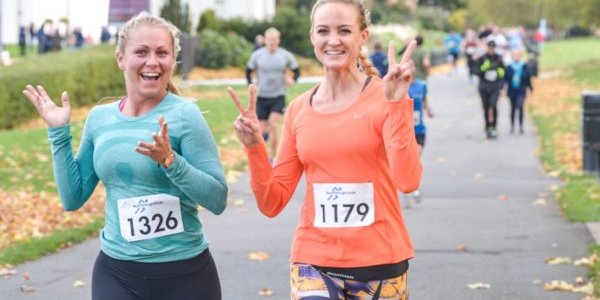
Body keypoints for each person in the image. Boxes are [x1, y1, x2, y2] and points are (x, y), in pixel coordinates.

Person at [22, 12, 227, 300]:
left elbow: (217, 199)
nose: (152, 62)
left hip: (185, 275)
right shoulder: (99, 119)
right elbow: (73, 198)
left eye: (162, 53)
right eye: (141, 52)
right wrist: (58, 132)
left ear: (172, 60)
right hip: (117, 273)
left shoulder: (185, 115)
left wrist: (171, 160)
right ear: (121, 58)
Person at [229, 0, 422, 298]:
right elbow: (272, 201)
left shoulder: (384, 97)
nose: (333, 41)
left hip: (380, 260)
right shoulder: (298, 110)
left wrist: (397, 105)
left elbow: (408, 181)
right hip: (314, 260)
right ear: (312, 38)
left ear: (362, 37)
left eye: (344, 30)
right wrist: (255, 147)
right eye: (323, 31)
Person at [246, 27, 300, 161]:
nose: (272, 42)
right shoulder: (257, 55)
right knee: (262, 129)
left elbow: (296, 70)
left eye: (274, 39)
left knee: (273, 124)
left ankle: (273, 157)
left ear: (278, 40)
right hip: (263, 96)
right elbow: (248, 71)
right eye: (269, 39)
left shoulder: (285, 55)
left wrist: (291, 79)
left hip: (278, 95)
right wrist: (252, 85)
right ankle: (263, 152)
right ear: (265, 40)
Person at [475, 40, 505, 139]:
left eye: (493, 48)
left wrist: (499, 73)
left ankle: (494, 127)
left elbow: (503, 71)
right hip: (484, 87)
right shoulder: (482, 58)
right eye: (489, 48)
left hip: (495, 87)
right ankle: (488, 127)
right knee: (486, 107)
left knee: (493, 105)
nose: (491, 50)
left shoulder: (498, 58)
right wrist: (483, 69)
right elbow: (475, 71)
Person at [505, 49, 533, 134]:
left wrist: (530, 88)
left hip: (521, 89)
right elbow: (505, 78)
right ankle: (512, 126)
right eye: (515, 55)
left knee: (520, 106)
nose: (516, 57)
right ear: (512, 56)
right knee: (513, 108)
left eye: (518, 55)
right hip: (512, 90)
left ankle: (521, 126)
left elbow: (528, 78)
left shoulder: (524, 66)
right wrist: (503, 87)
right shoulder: (509, 67)